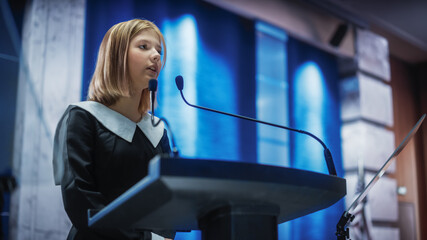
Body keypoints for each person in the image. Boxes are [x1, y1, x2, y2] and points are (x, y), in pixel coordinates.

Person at [52, 19, 175, 240]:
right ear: (117, 56)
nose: (156, 56)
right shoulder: (82, 117)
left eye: (159, 51)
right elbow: (80, 199)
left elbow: (168, 197)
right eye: (144, 47)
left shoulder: (158, 130)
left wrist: (163, 236)